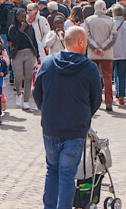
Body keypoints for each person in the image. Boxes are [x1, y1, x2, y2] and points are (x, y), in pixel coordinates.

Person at [33, 26, 102, 209]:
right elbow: (95, 100)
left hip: (51, 126)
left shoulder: (47, 63)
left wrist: (47, 111)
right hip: (75, 129)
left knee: (53, 171)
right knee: (67, 174)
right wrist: (83, 116)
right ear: (80, 42)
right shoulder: (89, 68)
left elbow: (36, 92)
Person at [84, 0, 117, 111]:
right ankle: (109, 101)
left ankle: (91, 100)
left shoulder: (88, 20)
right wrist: (103, 47)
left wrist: (95, 47)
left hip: (93, 53)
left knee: (91, 77)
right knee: (107, 77)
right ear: (104, 8)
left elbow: (87, 36)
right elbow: (113, 37)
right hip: (107, 53)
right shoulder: (111, 21)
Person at [8, 8, 40, 110]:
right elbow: (13, 41)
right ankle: (18, 94)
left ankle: (26, 101)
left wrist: (38, 55)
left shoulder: (30, 27)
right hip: (18, 54)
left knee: (28, 77)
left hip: (29, 53)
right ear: (17, 17)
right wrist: (20, 31)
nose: (23, 18)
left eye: (24, 16)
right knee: (18, 77)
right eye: (21, 17)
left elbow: (34, 41)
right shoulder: (12, 28)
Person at [110, 4, 126, 105]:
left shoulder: (110, 24)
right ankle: (121, 96)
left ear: (114, 13)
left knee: (109, 77)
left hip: (111, 54)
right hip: (124, 54)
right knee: (121, 76)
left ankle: (109, 96)